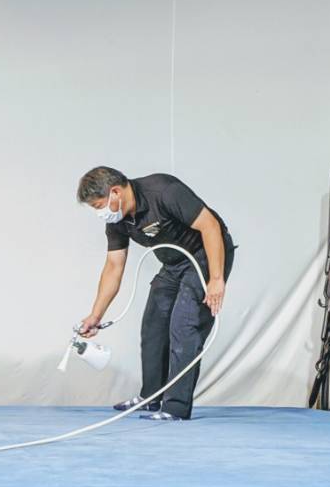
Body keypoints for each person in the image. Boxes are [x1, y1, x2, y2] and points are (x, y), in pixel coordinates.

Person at [76, 166, 234, 421]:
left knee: (185, 325)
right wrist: (96, 315)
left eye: (98, 206)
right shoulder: (117, 220)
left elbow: (210, 226)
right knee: (153, 325)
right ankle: (151, 397)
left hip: (205, 255)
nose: (99, 213)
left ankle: (175, 407)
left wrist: (216, 279)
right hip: (173, 263)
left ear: (115, 192)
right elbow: (114, 266)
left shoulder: (164, 192)